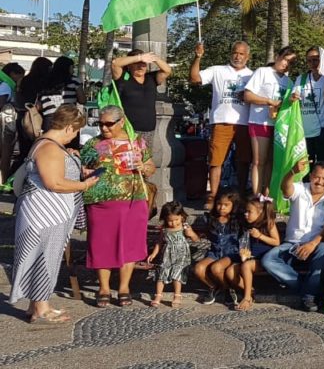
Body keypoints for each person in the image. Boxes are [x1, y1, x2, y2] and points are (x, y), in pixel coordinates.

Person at [9, 105, 98, 323]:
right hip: (46, 213)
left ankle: (36, 305)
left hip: (48, 212)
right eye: (76, 131)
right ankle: (42, 307)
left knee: (45, 255)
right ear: (69, 128)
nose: (76, 136)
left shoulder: (51, 146)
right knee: (45, 256)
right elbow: (54, 182)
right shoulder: (50, 148)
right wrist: (84, 185)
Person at [81, 105, 156, 307]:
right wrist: (85, 172)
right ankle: (104, 287)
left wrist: (144, 167)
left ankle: (124, 287)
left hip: (132, 199)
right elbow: (83, 168)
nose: (104, 128)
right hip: (101, 202)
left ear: (121, 122)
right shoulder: (93, 144)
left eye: (108, 124)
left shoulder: (137, 142)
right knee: (101, 244)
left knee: (130, 244)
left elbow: (151, 168)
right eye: (100, 124)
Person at [262, 159, 324, 312]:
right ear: (310, 176)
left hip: (315, 244)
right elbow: (286, 188)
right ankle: (305, 287)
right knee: (268, 260)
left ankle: (308, 296)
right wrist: (292, 172)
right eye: (317, 177)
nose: (320, 182)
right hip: (291, 243)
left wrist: (312, 244)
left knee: (323, 250)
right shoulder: (300, 189)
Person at [190, 41, 253, 208]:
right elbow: (195, 78)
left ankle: (240, 194)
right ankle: (212, 195)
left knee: (243, 161)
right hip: (221, 122)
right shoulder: (217, 70)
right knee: (216, 161)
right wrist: (197, 57)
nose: (237, 56)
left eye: (241, 54)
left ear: (247, 57)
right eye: (235, 52)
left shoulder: (252, 75)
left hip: (244, 123)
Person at [242, 46, 296, 196]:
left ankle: (266, 195)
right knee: (259, 161)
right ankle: (256, 195)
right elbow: (247, 96)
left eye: (290, 63)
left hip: (278, 125)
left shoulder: (289, 82)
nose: (286, 64)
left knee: (272, 162)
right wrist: (268, 101)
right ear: (278, 56)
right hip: (260, 122)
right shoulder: (262, 72)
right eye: (285, 59)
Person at [193, 188, 244, 306]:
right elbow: (203, 235)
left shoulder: (237, 220)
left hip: (231, 253)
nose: (222, 208)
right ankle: (215, 287)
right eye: (219, 204)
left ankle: (228, 290)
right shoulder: (211, 219)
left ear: (234, 205)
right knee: (198, 269)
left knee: (216, 268)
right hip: (215, 252)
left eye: (226, 205)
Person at [230, 194, 280, 311]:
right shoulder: (247, 224)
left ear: (260, 212)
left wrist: (260, 235)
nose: (246, 214)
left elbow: (277, 242)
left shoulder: (268, 224)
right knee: (230, 271)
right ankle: (251, 291)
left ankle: (247, 298)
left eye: (249, 212)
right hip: (249, 257)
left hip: (263, 259)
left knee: (246, 266)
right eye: (245, 211)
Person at [111, 49, 172, 144]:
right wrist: (139, 57)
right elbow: (115, 63)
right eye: (137, 63)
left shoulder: (151, 78)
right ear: (129, 65)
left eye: (143, 63)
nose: (141, 66)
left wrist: (153, 58)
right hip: (127, 130)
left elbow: (167, 70)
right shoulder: (123, 77)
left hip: (148, 131)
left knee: (145, 158)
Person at [147, 201, 199, 308]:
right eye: (170, 221)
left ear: (182, 217)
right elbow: (159, 242)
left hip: (181, 255)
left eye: (176, 220)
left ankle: (177, 295)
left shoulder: (185, 227)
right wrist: (154, 253)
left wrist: (191, 234)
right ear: (165, 219)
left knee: (177, 275)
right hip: (167, 255)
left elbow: (196, 239)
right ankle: (158, 295)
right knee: (161, 274)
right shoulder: (165, 229)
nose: (174, 223)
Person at [293, 46, 324, 167]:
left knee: (323, 162)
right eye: (309, 60)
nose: (312, 63)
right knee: (305, 164)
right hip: (306, 129)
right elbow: (295, 97)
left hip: (323, 128)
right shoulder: (302, 79)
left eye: (316, 59)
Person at [38, 56, 85, 138]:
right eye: (72, 67)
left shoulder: (45, 81)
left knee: (50, 144)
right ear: (67, 68)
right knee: (69, 147)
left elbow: (40, 104)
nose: (73, 70)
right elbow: (82, 100)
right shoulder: (74, 80)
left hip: (49, 119)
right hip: (68, 118)